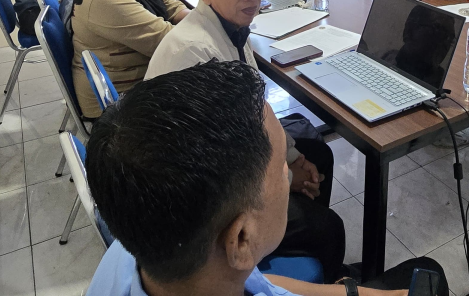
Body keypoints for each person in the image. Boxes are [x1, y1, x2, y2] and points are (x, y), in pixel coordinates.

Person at [84, 59, 449, 296]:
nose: (289, 175)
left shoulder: (140, 246)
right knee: (427, 272)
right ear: (242, 238)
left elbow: (259, 283)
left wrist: (353, 291)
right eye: (280, 171)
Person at [146, 0, 346, 281]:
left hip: (226, 155)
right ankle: (302, 257)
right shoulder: (195, 51)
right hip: (201, 201)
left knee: (316, 152)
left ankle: (293, 239)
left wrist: (292, 158)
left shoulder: (230, 28)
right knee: (329, 228)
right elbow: (221, 156)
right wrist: (285, 178)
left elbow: (255, 109)